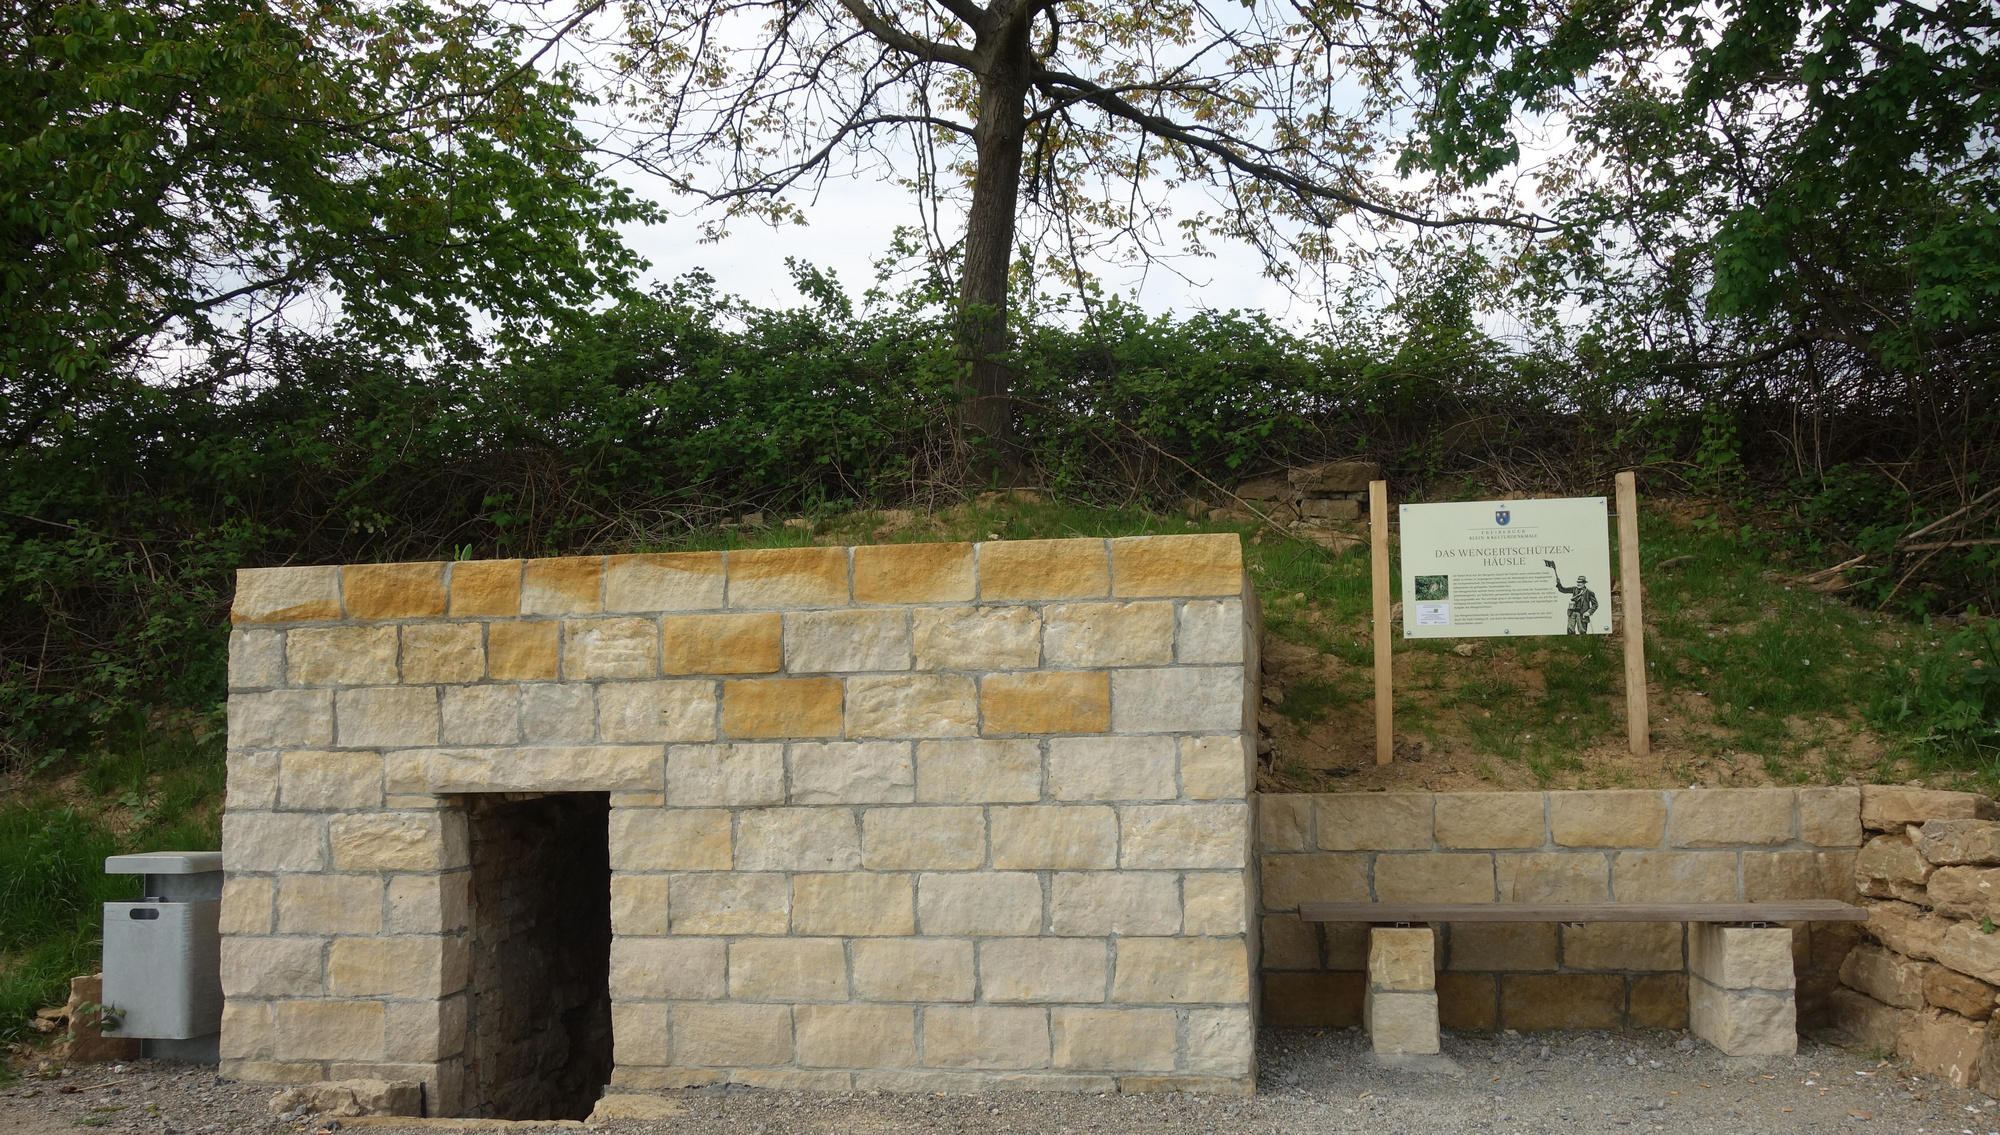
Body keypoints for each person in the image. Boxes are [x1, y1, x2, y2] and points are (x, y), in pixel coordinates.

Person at [1544, 560, 1598, 634]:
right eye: (1578, 582)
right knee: (1570, 631)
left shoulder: (1589, 592)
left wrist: (1589, 612)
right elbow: (1563, 590)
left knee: (1582, 631)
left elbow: (1595, 604)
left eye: (1580, 582)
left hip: (1582, 614)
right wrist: (1559, 584)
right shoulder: (1574, 589)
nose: (1578, 584)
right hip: (1572, 613)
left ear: (1584, 583)